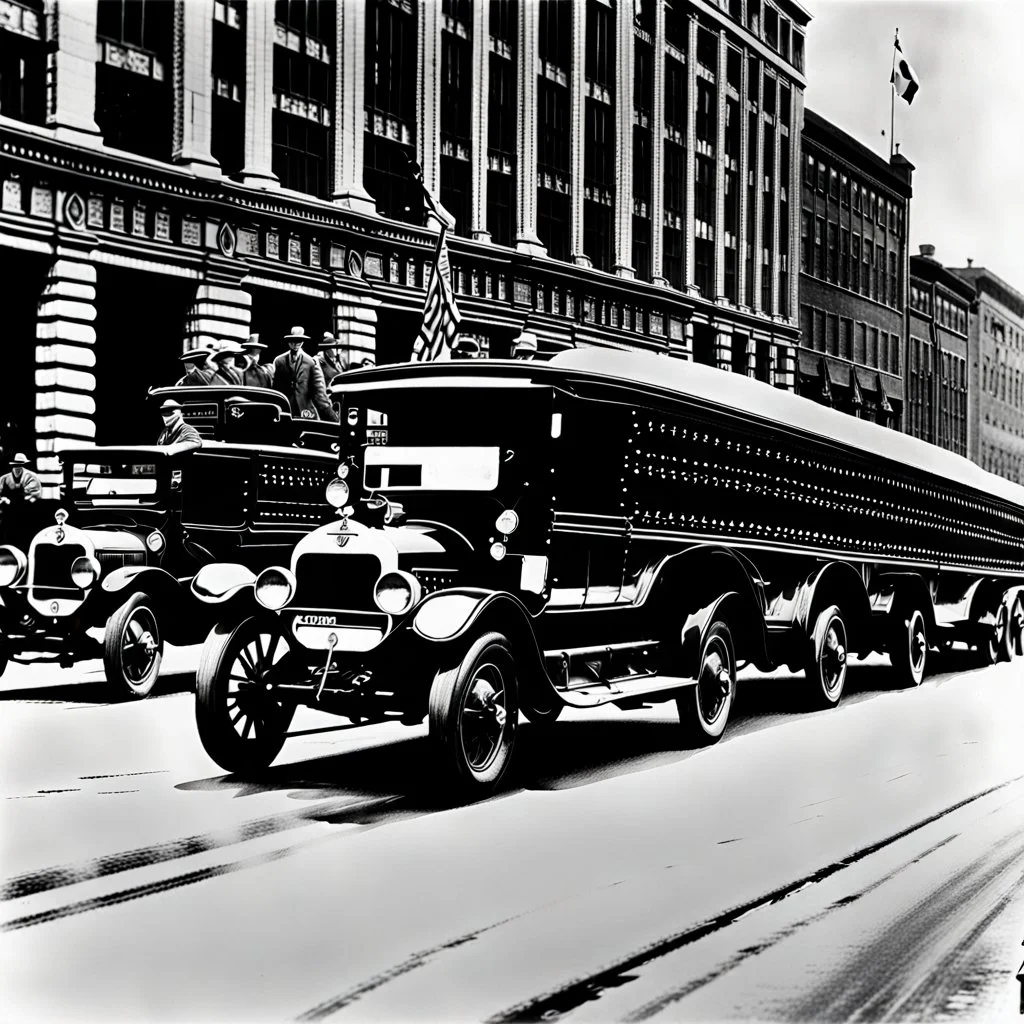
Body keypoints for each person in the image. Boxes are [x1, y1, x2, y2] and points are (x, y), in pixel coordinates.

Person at [272, 326, 337, 421]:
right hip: (285, 414)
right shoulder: (279, 362)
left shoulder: (311, 363)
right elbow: (275, 390)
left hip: (306, 415)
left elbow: (320, 396)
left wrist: (335, 421)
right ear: (288, 341)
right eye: (292, 341)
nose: (295, 344)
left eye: (298, 341)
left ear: (302, 342)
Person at [0, 453, 41, 545]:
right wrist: (3, 500)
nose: (17, 468)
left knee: (24, 538)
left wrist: (12, 501)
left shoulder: (31, 477)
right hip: (8, 516)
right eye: (15, 465)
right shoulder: (4, 479)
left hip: (25, 514)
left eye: (20, 465)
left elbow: (33, 496)